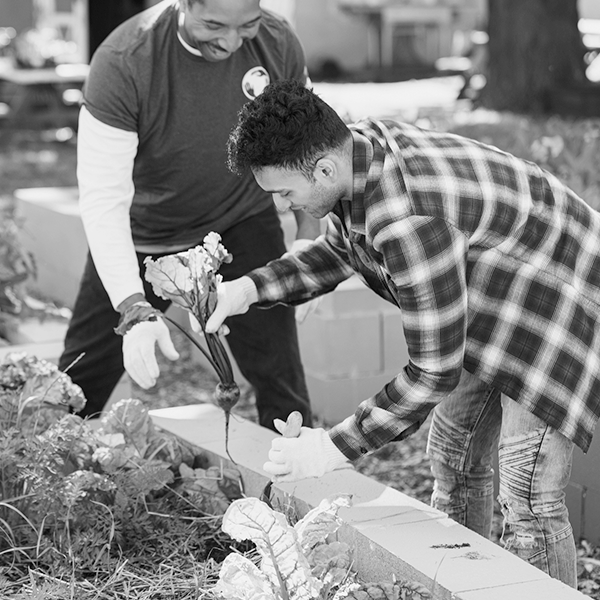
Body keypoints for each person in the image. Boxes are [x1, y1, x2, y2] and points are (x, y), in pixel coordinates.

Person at [202, 79, 600, 587]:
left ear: (323, 169)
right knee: (453, 461)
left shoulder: (408, 221)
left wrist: (330, 448)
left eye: (285, 193)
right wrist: (249, 290)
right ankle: (466, 586)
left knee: (527, 493)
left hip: (561, 304)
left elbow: (433, 373)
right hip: (494, 302)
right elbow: (339, 251)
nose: (283, 206)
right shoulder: (355, 154)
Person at [58, 0, 319, 430]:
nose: (232, 42)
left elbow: (306, 147)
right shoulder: (125, 61)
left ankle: (293, 481)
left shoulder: (277, 41)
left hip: (241, 220)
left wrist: (307, 245)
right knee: (78, 383)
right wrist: (132, 308)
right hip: (144, 234)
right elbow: (104, 198)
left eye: (247, 24)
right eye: (214, 24)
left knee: (279, 375)